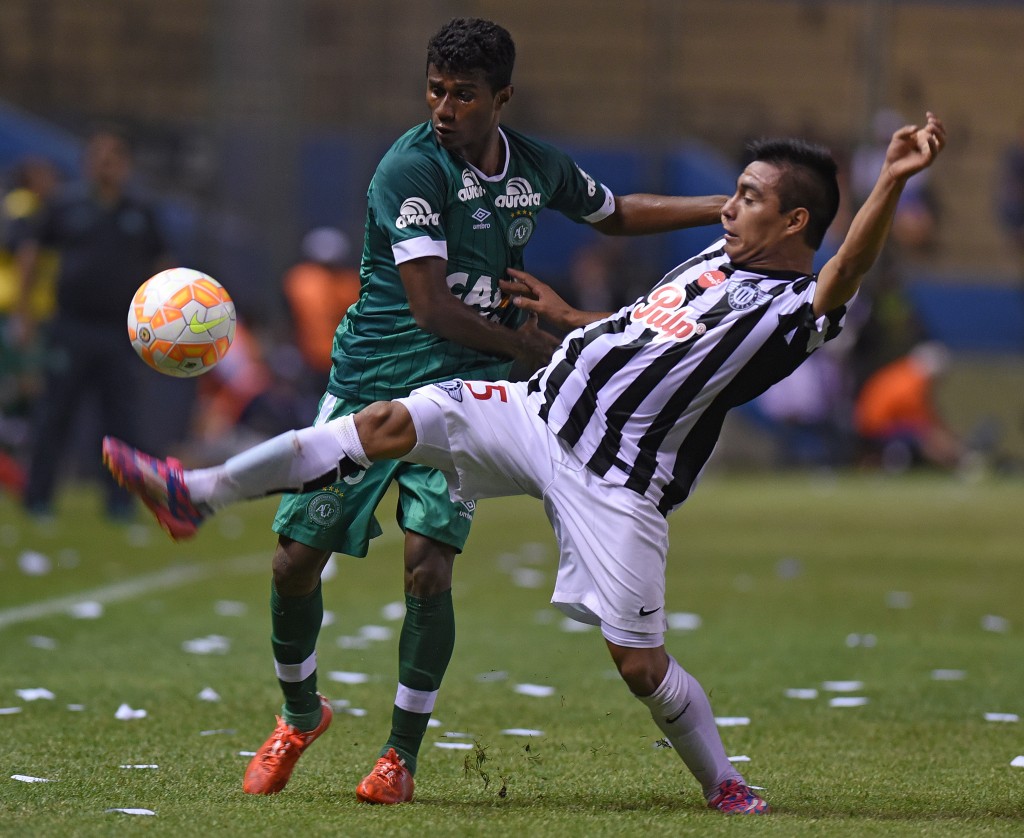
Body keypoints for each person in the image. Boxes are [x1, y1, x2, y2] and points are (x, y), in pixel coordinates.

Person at [103, 112, 947, 815]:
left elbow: (845, 268)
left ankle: (723, 782)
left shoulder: (795, 307)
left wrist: (892, 179)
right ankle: (196, 492)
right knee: (387, 422)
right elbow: (644, 333)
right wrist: (572, 317)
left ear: (795, 223)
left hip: (615, 479)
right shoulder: (715, 260)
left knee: (639, 663)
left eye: (751, 198)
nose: (730, 207)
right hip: (537, 410)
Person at [202, 18, 725, 805]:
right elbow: (432, 308)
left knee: (428, 568)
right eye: (436, 91)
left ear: (502, 97)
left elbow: (614, 211)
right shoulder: (409, 169)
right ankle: (300, 715)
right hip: (374, 381)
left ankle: (399, 757)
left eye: (464, 95)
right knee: (294, 561)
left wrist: (723, 207)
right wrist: (533, 349)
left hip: (466, 392)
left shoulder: (534, 167)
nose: (445, 109)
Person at [14, 129, 169, 519]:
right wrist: (24, 315)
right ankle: (38, 499)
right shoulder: (65, 205)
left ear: (126, 165)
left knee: (122, 421)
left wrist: (163, 322)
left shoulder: (142, 211)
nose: (105, 165)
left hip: (122, 332)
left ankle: (120, 504)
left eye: (113, 158)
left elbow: (162, 267)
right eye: (98, 157)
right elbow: (31, 256)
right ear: (86, 164)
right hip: (71, 326)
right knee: (55, 414)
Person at [853, 341, 965, 471]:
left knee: (924, 432)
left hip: (872, 423)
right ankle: (956, 463)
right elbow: (924, 421)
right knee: (925, 435)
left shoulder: (903, 373)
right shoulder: (913, 384)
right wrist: (950, 438)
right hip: (876, 427)